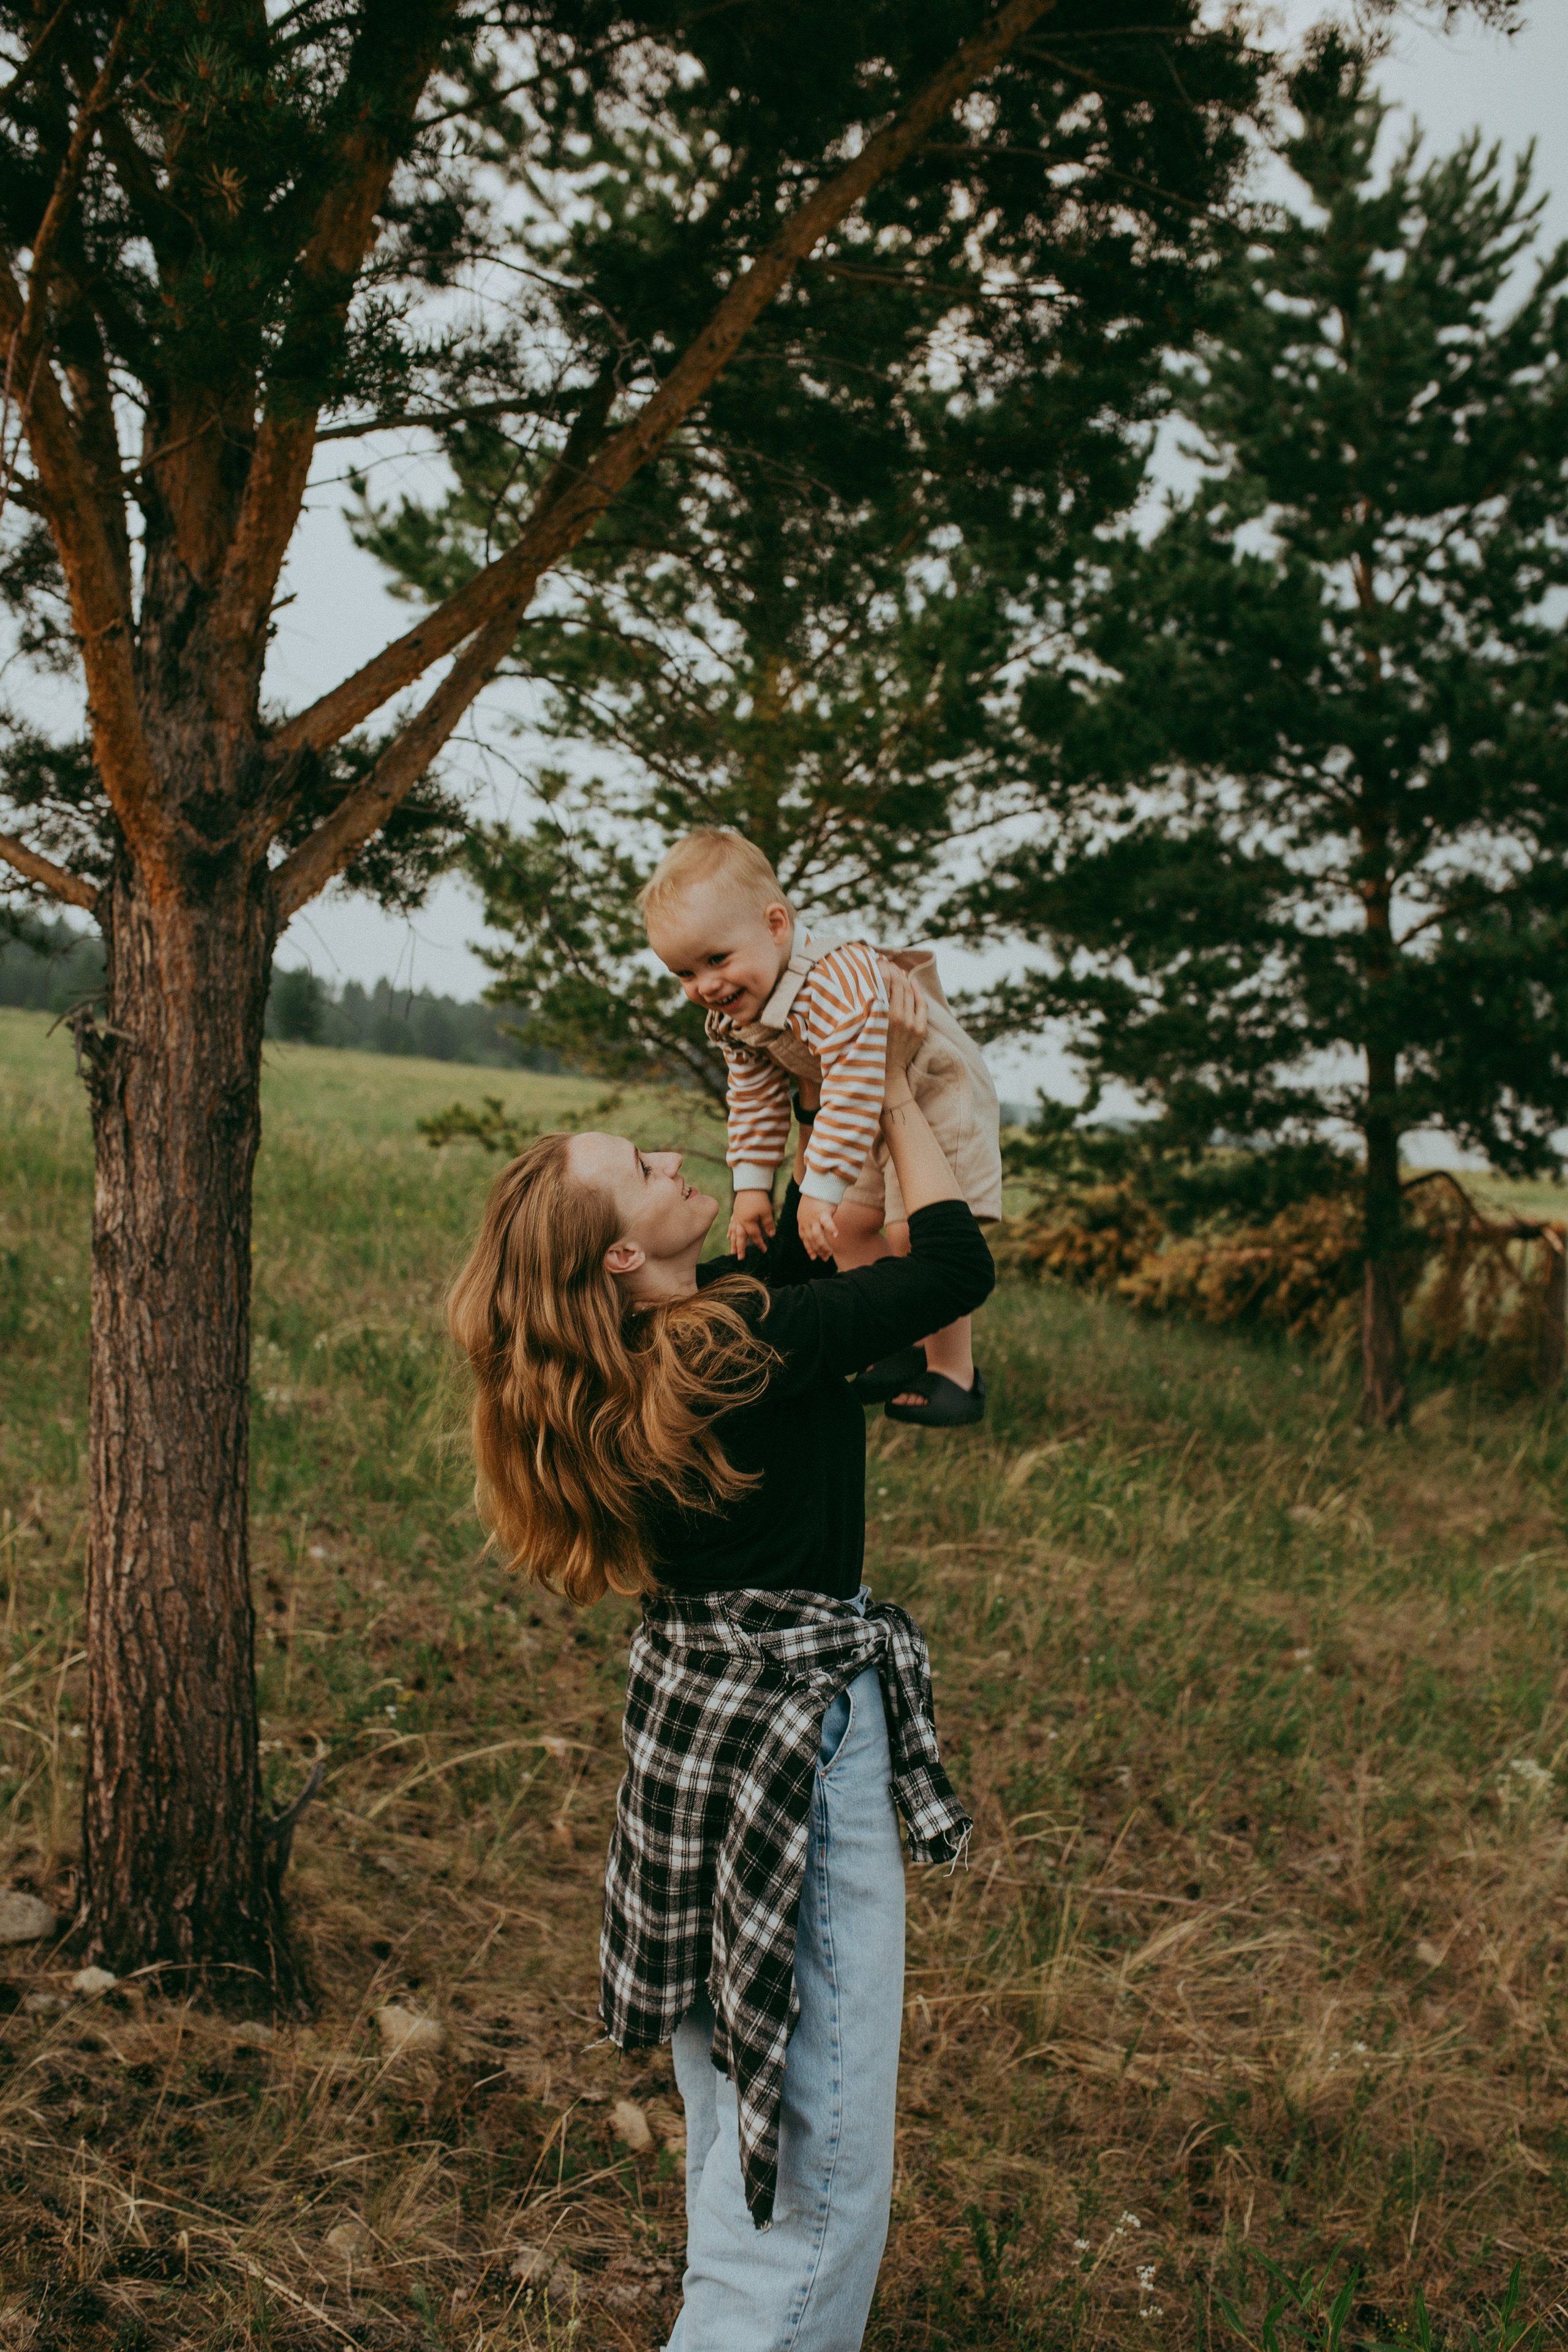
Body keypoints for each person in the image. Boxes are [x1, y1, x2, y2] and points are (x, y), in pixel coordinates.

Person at [447, 969, 993, 2351]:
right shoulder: (733, 1340)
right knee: (816, 2153)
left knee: (741, 2104)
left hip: (702, 1730)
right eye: (641, 1170)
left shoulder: (676, 1349)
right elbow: (946, 1270)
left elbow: (824, 1249)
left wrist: (841, 1077)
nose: (673, 1157)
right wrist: (891, 1070)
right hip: (790, 1744)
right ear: (621, 1256)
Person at [636, 826, 1002, 1428]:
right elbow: (752, 1096)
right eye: (683, 973)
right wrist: (752, 1187)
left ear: (776, 925)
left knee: (913, 1231)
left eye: (716, 960)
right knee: (845, 1229)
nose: (704, 986)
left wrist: (820, 1186)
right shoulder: (737, 1012)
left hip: (934, 1089)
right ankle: (897, 1343)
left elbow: (861, 1078)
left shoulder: (835, 983)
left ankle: (954, 1372)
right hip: (856, 1105)